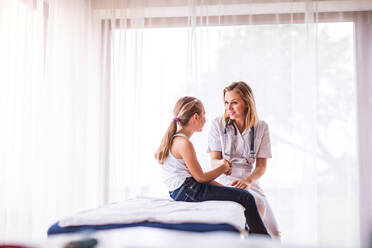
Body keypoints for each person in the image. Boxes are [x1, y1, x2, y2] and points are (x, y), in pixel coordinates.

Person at [155, 96, 270, 237]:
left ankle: (251, 234)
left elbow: (197, 178)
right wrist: (222, 168)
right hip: (187, 191)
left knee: (242, 196)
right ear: (195, 117)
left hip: (183, 190)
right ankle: (264, 242)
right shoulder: (184, 143)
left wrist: (226, 190)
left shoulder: (177, 140)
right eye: (204, 114)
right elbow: (201, 178)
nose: (205, 118)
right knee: (247, 198)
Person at [208, 81, 281, 239]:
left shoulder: (261, 127)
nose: (229, 107)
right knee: (257, 205)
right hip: (226, 179)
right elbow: (213, 161)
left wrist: (248, 181)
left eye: (234, 103)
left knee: (274, 234)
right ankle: (248, 240)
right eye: (226, 103)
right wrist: (222, 165)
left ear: (247, 103)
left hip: (250, 180)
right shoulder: (217, 125)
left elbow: (261, 166)